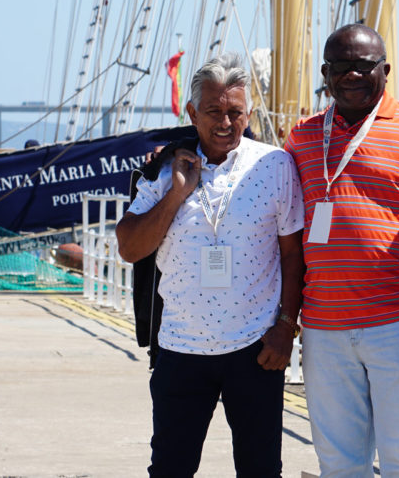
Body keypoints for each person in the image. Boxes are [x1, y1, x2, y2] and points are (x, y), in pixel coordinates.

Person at [285, 24, 399, 477]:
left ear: (385, 68)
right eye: (339, 67)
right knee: (339, 462)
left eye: (362, 66)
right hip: (323, 327)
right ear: (325, 73)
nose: (350, 76)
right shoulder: (302, 137)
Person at [115, 53, 305, 477]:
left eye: (235, 112)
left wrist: (285, 328)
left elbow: (293, 255)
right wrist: (178, 193)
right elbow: (130, 248)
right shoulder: (164, 171)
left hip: (255, 349)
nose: (225, 123)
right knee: (169, 468)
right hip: (180, 348)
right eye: (214, 111)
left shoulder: (275, 165)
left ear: (249, 113)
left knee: (260, 469)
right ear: (193, 114)